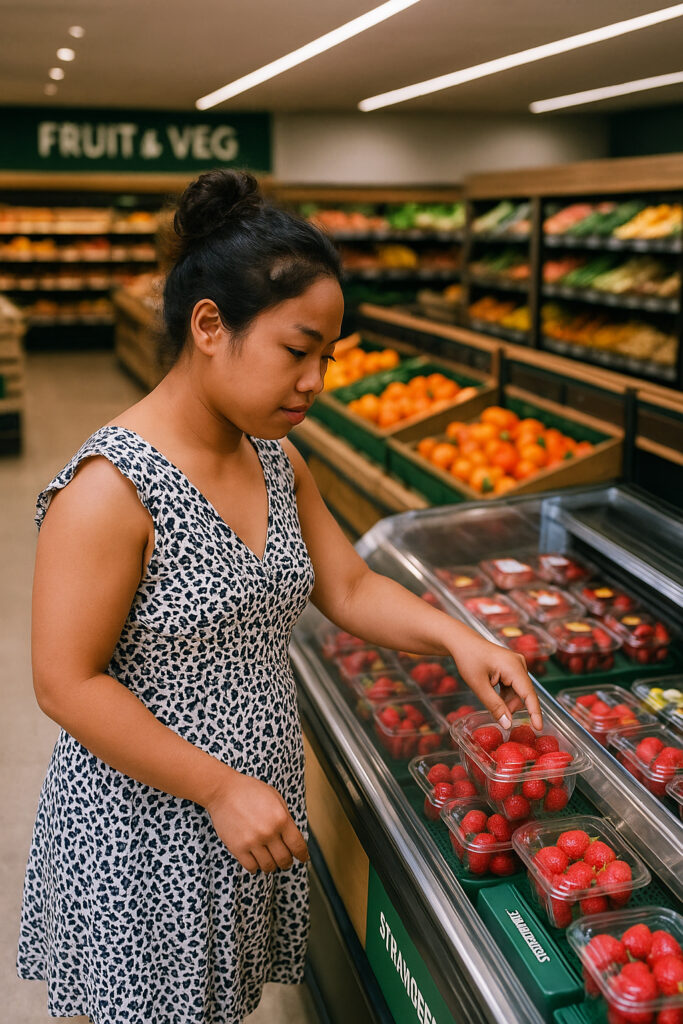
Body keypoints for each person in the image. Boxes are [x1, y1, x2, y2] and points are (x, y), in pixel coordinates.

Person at [17, 169, 542, 1024]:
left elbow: (348, 584)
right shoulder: (111, 489)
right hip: (147, 826)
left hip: (245, 803)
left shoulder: (274, 458)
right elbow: (64, 682)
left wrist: (459, 640)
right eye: (297, 351)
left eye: (327, 358)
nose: (314, 382)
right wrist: (217, 786)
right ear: (210, 326)